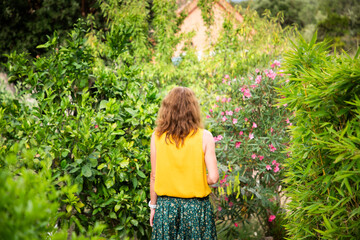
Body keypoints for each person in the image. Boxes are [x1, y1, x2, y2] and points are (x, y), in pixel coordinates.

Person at [149, 87, 219, 239]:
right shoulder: (205, 137)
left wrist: (153, 207)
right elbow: (213, 178)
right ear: (193, 109)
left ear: (167, 109)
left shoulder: (157, 137)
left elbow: (154, 176)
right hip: (196, 209)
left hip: (166, 209)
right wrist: (193, 178)